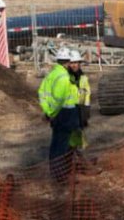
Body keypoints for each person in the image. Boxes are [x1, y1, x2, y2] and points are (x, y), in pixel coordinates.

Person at [38, 47, 79, 180]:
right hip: (65, 114)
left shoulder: (51, 75)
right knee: (62, 144)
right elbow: (59, 100)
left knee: (57, 143)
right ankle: (60, 174)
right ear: (67, 62)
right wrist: (52, 113)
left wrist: (47, 111)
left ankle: (58, 171)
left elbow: (42, 93)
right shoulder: (63, 77)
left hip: (59, 114)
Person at [68, 50, 91, 150]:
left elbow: (87, 94)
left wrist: (86, 111)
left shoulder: (83, 78)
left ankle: (79, 155)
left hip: (80, 110)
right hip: (69, 111)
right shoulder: (66, 78)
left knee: (80, 135)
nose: (74, 65)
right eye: (72, 63)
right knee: (71, 138)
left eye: (76, 63)